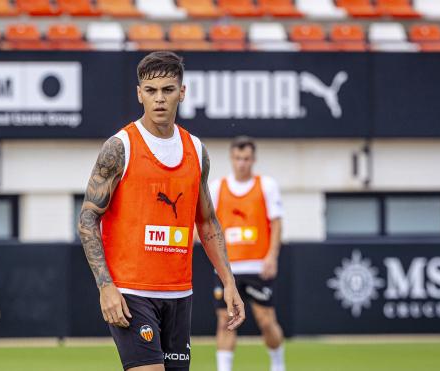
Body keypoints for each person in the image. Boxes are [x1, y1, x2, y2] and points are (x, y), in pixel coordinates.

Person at [78, 51, 245, 371]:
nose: (159, 99)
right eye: (151, 91)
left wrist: (229, 282)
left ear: (182, 92)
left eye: (168, 90)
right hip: (130, 292)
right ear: (139, 93)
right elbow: (88, 218)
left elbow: (207, 222)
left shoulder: (196, 150)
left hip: (180, 293)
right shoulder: (120, 146)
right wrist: (106, 286)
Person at [210, 136, 285, 371]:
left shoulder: (266, 185)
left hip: (257, 267)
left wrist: (272, 256)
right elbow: (208, 225)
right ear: (232, 159)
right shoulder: (217, 187)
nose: (242, 163)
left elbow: (276, 223)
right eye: (238, 158)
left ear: (253, 160)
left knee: (266, 320)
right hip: (227, 269)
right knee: (225, 321)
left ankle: (277, 363)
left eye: (247, 158)